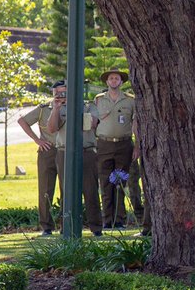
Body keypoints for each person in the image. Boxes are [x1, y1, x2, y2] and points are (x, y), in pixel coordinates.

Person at [45, 83, 104, 235]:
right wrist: (57, 108)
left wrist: (76, 109)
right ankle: (67, 228)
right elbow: (51, 129)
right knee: (66, 191)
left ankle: (96, 228)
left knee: (91, 191)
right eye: (60, 92)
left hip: (86, 151)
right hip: (64, 152)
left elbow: (92, 124)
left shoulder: (87, 106)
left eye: (66, 92)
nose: (63, 95)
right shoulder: (56, 108)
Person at [93, 67, 143, 228]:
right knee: (105, 183)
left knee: (120, 183)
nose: (114, 81)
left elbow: (135, 124)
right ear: (107, 82)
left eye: (116, 78)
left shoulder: (130, 100)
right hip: (104, 144)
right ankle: (107, 220)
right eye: (111, 78)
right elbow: (93, 122)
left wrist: (137, 146)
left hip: (123, 144)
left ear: (121, 82)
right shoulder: (99, 100)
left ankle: (119, 220)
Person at [19, 85, 59, 235]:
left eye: (63, 92)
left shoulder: (72, 106)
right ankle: (46, 227)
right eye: (57, 93)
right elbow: (23, 121)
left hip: (65, 150)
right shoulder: (44, 108)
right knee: (45, 189)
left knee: (67, 188)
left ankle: (66, 224)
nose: (60, 95)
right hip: (47, 150)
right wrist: (37, 140)